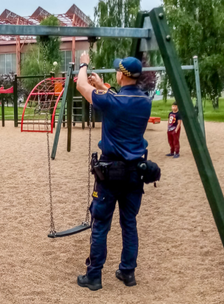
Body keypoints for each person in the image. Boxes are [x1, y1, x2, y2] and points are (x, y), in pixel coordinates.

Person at [74, 53, 152, 291]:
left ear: (121, 74)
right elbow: (121, 101)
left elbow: (80, 84)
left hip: (110, 173)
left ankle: (94, 275)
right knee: (129, 223)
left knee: (101, 225)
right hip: (134, 173)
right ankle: (128, 273)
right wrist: (103, 87)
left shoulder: (111, 101)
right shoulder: (145, 101)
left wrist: (84, 64)